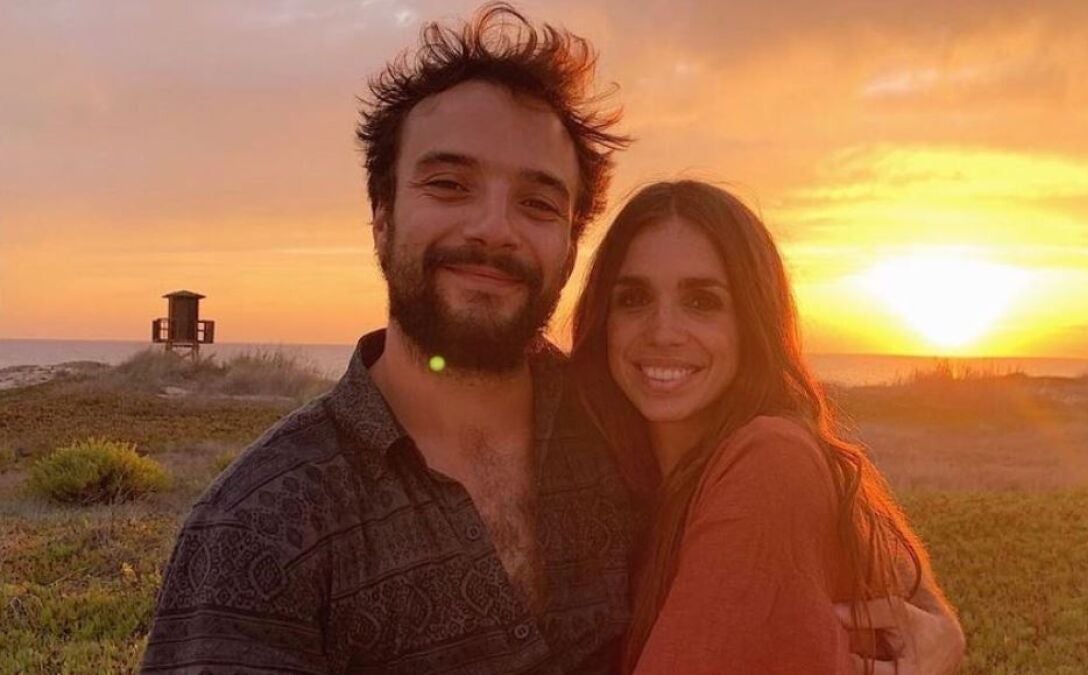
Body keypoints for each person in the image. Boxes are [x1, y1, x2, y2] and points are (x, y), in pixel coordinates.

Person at [142, 4, 962, 674]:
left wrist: (937, 628)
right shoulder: (262, 525)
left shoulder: (620, 423)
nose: (493, 228)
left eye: (537, 202)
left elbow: (810, 508)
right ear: (381, 213)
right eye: (449, 183)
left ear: (571, 245)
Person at [570, 180, 965, 674]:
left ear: (752, 320)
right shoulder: (638, 474)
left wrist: (942, 628)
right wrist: (945, 628)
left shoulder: (770, 456)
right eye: (633, 299)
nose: (663, 332)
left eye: (701, 302)